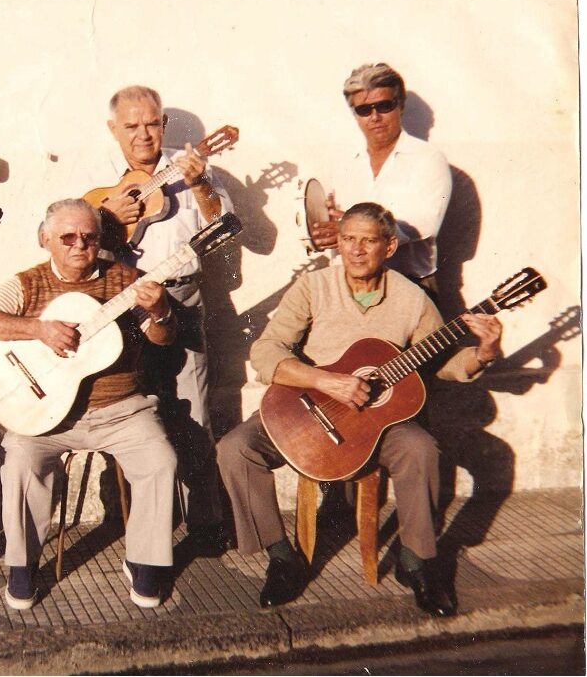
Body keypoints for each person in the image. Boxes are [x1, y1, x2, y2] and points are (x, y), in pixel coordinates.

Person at [215, 202, 502, 617]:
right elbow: (266, 349)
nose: (356, 250)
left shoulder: (412, 298)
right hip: (308, 407)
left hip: (378, 425)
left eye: (368, 241)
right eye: (348, 239)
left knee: (420, 449)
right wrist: (324, 380)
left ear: (388, 246)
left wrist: (485, 351)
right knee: (235, 449)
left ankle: (416, 561)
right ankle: (281, 557)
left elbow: (446, 365)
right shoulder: (314, 287)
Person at [0, 198, 178, 609]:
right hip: (46, 417)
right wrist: (37, 329)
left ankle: (145, 562)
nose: (80, 244)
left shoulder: (127, 280)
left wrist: (162, 311)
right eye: (68, 237)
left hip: (122, 411)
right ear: (46, 239)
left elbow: (162, 339)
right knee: (22, 463)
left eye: (89, 237)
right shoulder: (28, 283)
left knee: (161, 460)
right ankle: (22, 566)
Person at [95, 84, 234, 549]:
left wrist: (199, 183)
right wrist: (105, 221)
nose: (143, 134)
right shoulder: (96, 173)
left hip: (180, 297)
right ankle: (131, 515)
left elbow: (224, 228)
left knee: (191, 406)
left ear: (164, 125)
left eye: (152, 123)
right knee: (122, 406)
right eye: (131, 126)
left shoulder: (191, 167)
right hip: (118, 306)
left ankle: (205, 522)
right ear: (114, 128)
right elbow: (53, 233)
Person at [311, 63, 452, 295]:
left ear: (401, 106)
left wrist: (350, 230)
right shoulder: (340, 161)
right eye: (364, 110)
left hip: (408, 285)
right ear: (355, 114)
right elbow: (320, 210)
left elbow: (425, 223)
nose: (374, 117)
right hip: (347, 287)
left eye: (384, 106)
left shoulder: (427, 158)